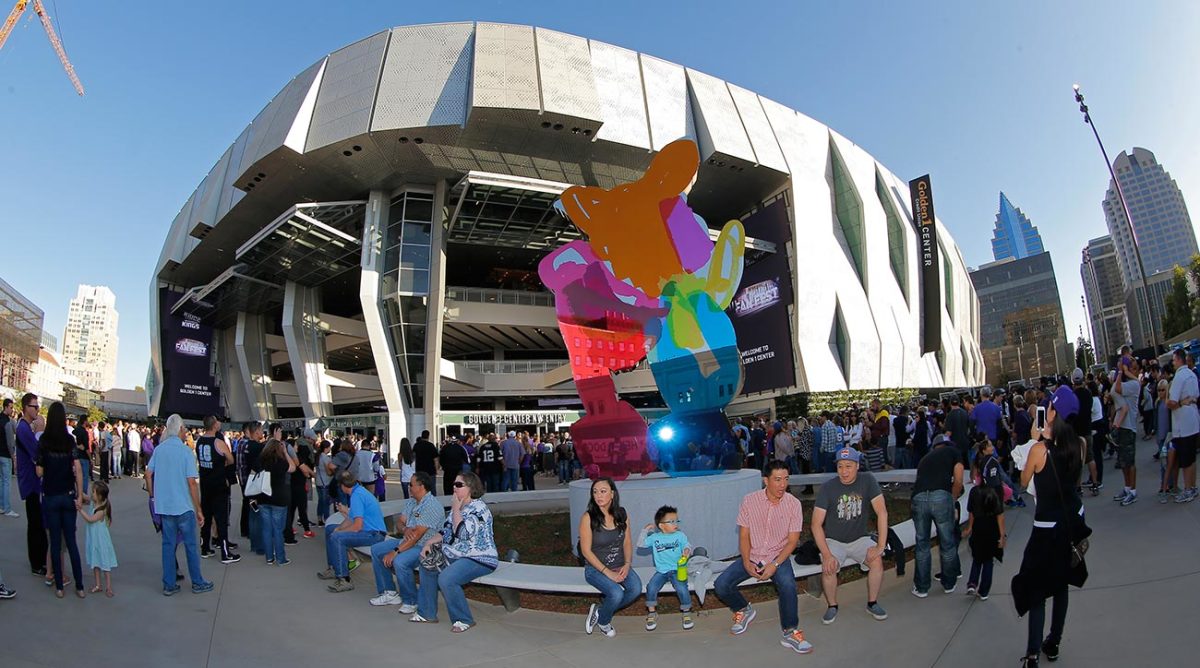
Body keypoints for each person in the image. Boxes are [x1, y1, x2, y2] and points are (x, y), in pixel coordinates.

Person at [1012, 408, 1089, 667]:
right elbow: (1075, 480)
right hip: (1072, 521)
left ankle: (1033, 653)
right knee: (1061, 584)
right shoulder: (1080, 444)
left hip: (1047, 527)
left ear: (1053, 414)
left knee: (1036, 588)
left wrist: (1034, 441)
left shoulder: (1039, 450)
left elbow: (1023, 481)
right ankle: (1054, 641)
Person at [714, 461, 811, 654]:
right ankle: (744, 609)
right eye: (777, 480)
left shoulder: (793, 504)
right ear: (766, 481)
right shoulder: (750, 500)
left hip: (778, 556)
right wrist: (745, 561)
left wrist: (775, 564)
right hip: (753, 554)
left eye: (786, 479)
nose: (782, 485)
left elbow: (792, 541)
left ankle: (790, 631)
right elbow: (743, 535)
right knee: (721, 585)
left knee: (788, 586)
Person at [811, 447, 889, 623]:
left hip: (859, 538)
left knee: (877, 561)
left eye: (848, 466)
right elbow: (816, 524)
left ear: (857, 465)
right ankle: (832, 605)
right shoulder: (828, 487)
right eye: (840, 466)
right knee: (829, 567)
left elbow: (882, 513)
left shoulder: (867, 480)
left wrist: (880, 546)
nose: (844, 471)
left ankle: (872, 602)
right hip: (834, 540)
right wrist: (827, 554)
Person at [413, 471, 498, 632]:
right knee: (428, 565)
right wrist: (429, 543)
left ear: (471, 488)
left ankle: (463, 619)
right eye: (454, 484)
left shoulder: (479, 509)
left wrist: (456, 509)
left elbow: (462, 533)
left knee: (447, 579)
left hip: (479, 558)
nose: (454, 487)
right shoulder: (457, 506)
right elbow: (446, 531)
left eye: (459, 485)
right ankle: (427, 613)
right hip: (457, 554)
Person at [146, 414, 214, 596]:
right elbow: (192, 482)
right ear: (181, 429)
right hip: (183, 507)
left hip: (165, 507)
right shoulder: (185, 452)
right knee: (191, 546)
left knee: (168, 546)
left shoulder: (159, 450)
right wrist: (198, 508)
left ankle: (169, 583)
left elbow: (148, 474)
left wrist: (153, 496)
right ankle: (197, 582)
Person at [369, 472, 444, 612]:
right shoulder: (411, 501)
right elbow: (400, 522)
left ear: (421, 486)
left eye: (411, 484)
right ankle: (389, 592)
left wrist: (395, 551)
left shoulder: (431, 506)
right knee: (377, 549)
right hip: (408, 541)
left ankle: (411, 600)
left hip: (425, 546)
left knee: (400, 561)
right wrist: (405, 529)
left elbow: (417, 537)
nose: (408, 487)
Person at [579, 477, 641, 638]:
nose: (598, 495)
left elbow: (627, 542)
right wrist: (608, 572)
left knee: (635, 589)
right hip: (596, 569)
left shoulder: (622, 514)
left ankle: (599, 611)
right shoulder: (588, 518)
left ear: (612, 494)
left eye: (603, 491)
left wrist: (627, 564)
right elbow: (586, 551)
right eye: (595, 492)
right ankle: (604, 621)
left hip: (620, 564)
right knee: (616, 594)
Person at [36, 402, 86, 598]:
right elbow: (79, 469)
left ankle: (59, 586)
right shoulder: (69, 441)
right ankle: (80, 586)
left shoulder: (44, 442)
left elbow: (39, 471)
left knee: (55, 543)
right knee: (72, 543)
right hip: (68, 495)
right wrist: (80, 494)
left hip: (51, 496)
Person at [910, 433, 965, 596]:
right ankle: (948, 583)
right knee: (947, 542)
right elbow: (959, 478)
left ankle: (921, 587)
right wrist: (953, 499)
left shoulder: (925, 459)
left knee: (922, 544)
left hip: (919, 497)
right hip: (941, 496)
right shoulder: (953, 452)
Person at [319, 470, 388, 592]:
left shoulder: (357, 496)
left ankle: (344, 579)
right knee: (330, 529)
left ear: (343, 486)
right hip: (369, 531)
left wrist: (339, 532)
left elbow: (356, 526)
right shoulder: (358, 491)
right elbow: (352, 519)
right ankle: (334, 568)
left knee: (337, 538)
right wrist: (338, 528)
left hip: (374, 535)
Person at [638, 505, 694, 631]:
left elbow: (688, 545)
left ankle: (686, 612)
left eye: (676, 521)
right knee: (651, 587)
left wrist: (687, 550)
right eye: (671, 521)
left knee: (681, 587)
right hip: (662, 571)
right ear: (661, 525)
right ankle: (652, 613)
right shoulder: (655, 538)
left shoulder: (680, 535)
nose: (675, 524)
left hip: (677, 569)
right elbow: (641, 544)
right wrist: (645, 531)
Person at [196, 416, 239, 563]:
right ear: (214, 425)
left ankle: (205, 547)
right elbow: (231, 459)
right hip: (219, 485)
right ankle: (225, 552)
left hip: (205, 484)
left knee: (206, 518)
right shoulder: (218, 442)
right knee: (221, 519)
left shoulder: (200, 441)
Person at [14, 393, 47, 575]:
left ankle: (39, 560)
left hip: (32, 481)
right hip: (30, 482)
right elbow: (36, 453)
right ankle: (37, 563)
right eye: (35, 406)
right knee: (35, 524)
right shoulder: (23, 429)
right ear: (26, 407)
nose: (37, 410)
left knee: (37, 522)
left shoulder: (25, 428)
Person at [256, 438, 296, 565]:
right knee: (278, 530)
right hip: (279, 498)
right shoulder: (281, 462)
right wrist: (285, 452)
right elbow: (293, 468)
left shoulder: (261, 460)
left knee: (266, 529)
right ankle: (280, 558)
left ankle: (269, 557)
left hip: (263, 497)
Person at [1167, 347, 1199, 503]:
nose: (1172, 363)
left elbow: (1172, 402)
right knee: (1192, 458)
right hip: (1193, 421)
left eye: (1173, 360)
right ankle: (1193, 487)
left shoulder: (1179, 377)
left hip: (1183, 424)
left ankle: (1187, 489)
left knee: (1186, 460)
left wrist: (1175, 402)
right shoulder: (1192, 375)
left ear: (1179, 359)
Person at [963, 481, 1004, 600]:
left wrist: (970, 527)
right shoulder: (994, 492)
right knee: (988, 561)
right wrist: (1002, 535)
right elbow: (1000, 516)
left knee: (977, 558)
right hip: (992, 530)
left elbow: (971, 513)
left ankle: (972, 583)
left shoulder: (974, 492)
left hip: (978, 529)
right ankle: (984, 591)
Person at [80, 480, 118, 597]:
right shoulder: (94, 502)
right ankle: (98, 585)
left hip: (101, 540)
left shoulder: (101, 510)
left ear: (100, 496)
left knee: (104, 563)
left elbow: (91, 519)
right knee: (95, 561)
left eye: (94, 492)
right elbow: (85, 497)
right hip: (94, 539)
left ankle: (108, 587)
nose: (92, 494)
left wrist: (80, 510)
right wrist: (79, 488)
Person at [1111, 370, 1140, 506]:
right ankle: (1127, 488)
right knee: (1123, 461)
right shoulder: (1126, 384)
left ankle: (1133, 492)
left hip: (1128, 428)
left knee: (1130, 462)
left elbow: (1124, 406)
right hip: (1122, 427)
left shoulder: (1133, 385)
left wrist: (1123, 371)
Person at [0, 397, 19, 518]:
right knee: (6, 482)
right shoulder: (8, 421)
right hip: (6, 454)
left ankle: (2, 506)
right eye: (11, 408)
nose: (12, 410)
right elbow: (10, 441)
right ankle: (6, 508)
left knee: (2, 481)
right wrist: (13, 457)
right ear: (6, 407)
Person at [413, 430, 439, 496]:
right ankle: (432, 503)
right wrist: (436, 469)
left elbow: (413, 456)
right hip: (430, 471)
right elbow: (436, 459)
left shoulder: (416, 445)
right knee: (432, 488)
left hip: (420, 470)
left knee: (420, 488)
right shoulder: (431, 446)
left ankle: (421, 503)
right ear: (428, 436)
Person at [315, 440, 334, 521]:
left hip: (318, 481)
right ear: (326, 448)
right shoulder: (326, 458)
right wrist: (334, 472)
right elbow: (328, 472)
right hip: (325, 482)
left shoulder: (318, 456)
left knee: (320, 501)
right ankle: (326, 518)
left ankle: (319, 518)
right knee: (326, 502)